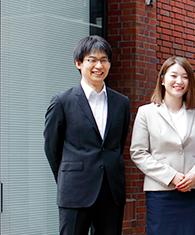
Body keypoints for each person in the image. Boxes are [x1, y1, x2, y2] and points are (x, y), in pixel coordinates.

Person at [44, 35, 130, 235]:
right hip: (75, 191)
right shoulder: (62, 101)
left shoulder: (122, 102)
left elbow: (117, 145)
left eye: (104, 60)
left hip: (111, 191)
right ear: (78, 63)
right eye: (92, 59)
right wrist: (69, 177)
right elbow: (52, 148)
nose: (98, 66)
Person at [130, 56, 195, 235]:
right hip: (161, 192)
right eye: (173, 76)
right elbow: (138, 153)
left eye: (185, 77)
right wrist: (172, 176)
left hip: (192, 190)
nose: (179, 81)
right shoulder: (146, 112)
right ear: (162, 79)